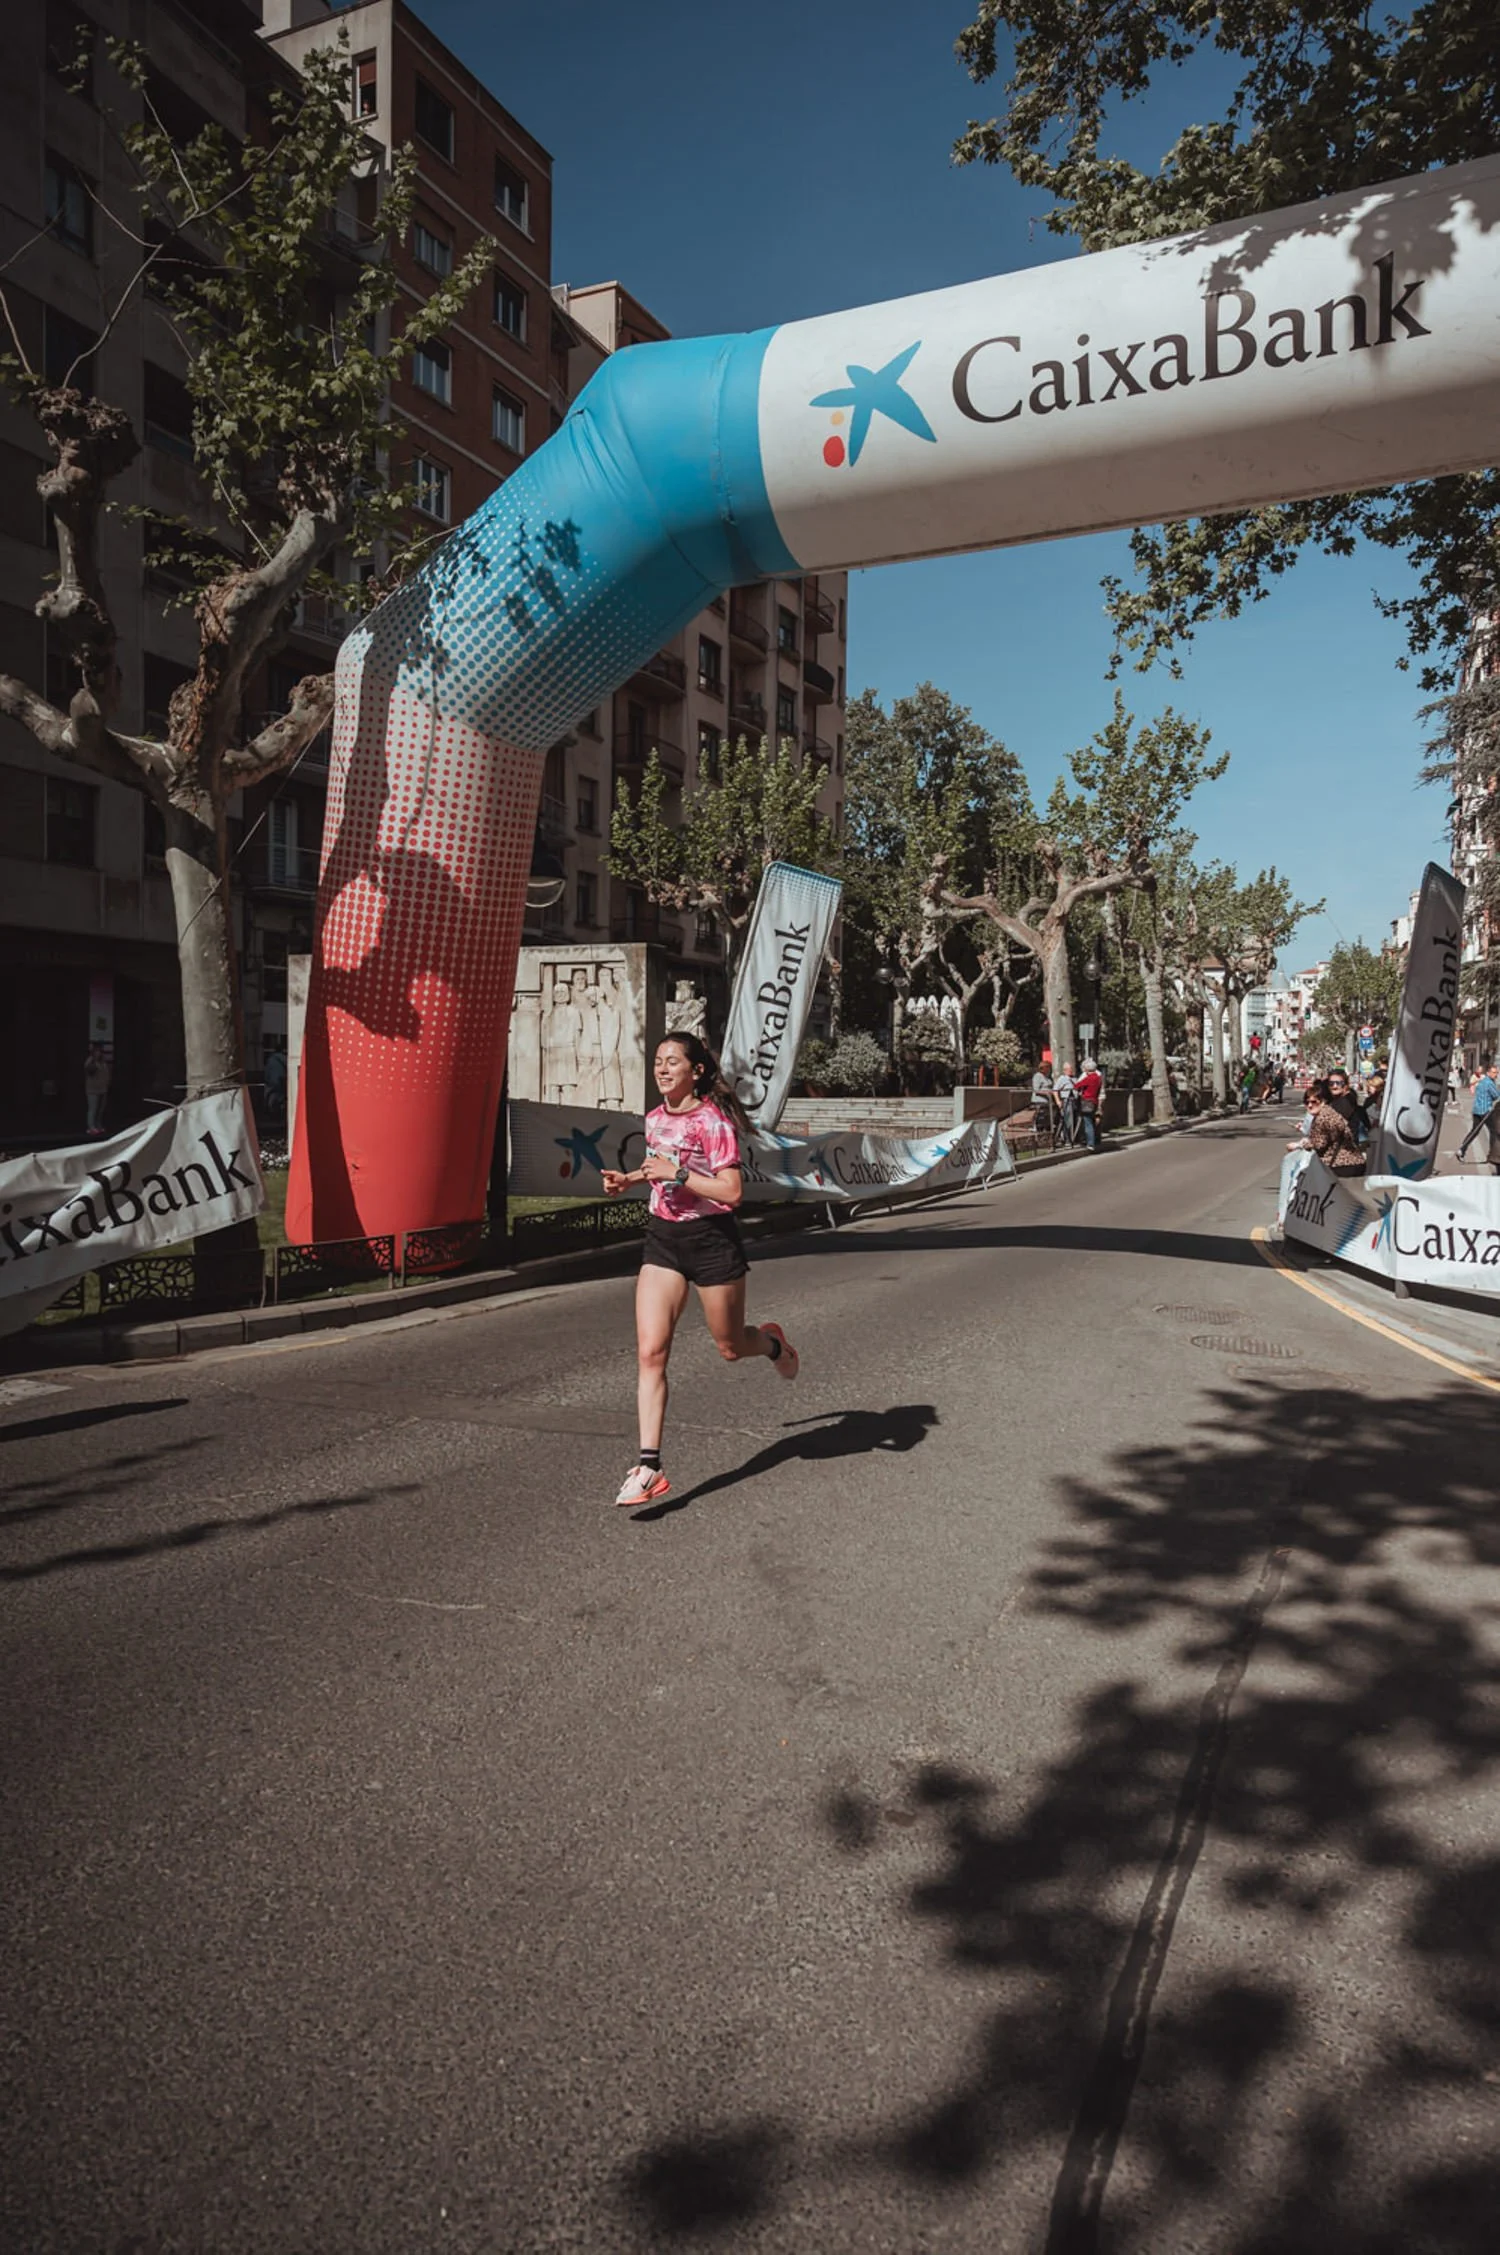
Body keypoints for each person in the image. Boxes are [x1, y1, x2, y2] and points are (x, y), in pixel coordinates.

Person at [602, 1032, 799, 1508]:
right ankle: (650, 1466)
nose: (663, 1069)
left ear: (698, 1071)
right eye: (658, 1061)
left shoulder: (713, 1122)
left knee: (731, 1347)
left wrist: (680, 1176)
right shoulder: (654, 1119)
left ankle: (771, 1343)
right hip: (664, 1240)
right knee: (651, 1352)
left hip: (712, 1243)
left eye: (673, 1062)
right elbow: (660, 1167)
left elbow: (731, 1192)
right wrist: (627, 1179)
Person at [1300, 1070, 1367, 1176]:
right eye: (1331, 1083)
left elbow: (1320, 1142)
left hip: (1341, 1162)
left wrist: (1300, 1145)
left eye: (1338, 1083)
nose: (1334, 1086)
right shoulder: (1338, 1102)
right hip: (1349, 1159)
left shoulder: (1342, 1105)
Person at [1457, 1061, 1499, 1166]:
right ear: (1488, 1073)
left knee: (1474, 1131)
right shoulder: (1489, 1083)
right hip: (1486, 1111)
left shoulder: (1482, 1081)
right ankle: (1492, 1155)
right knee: (1494, 1131)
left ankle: (1462, 1150)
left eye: (1497, 1073)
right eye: (1494, 1073)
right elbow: (1496, 1095)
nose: (1496, 1075)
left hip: (1476, 1110)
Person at [1075, 1057, 1104, 1151]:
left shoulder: (1089, 1078)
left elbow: (1077, 1085)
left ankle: (1090, 1143)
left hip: (1087, 1101)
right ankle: (1096, 1140)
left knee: (1088, 1123)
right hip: (1095, 1101)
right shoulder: (1099, 1078)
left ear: (1087, 1069)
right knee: (1093, 1121)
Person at [83, 1042, 111, 1135]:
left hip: (103, 1089)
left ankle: (98, 1125)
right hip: (92, 1090)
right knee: (93, 1108)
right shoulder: (90, 1061)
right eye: (96, 1051)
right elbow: (89, 1070)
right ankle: (91, 1127)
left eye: (100, 1051)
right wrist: (93, 1061)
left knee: (100, 1109)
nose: (98, 1053)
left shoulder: (103, 1062)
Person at [1052, 1062, 1080, 1147]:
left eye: (1071, 1069)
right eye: (1069, 1069)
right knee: (1067, 1120)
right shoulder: (1062, 1079)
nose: (1071, 1071)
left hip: (1074, 1101)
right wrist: (1058, 1101)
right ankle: (1067, 1139)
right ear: (1065, 1070)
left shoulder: (1075, 1079)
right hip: (1066, 1101)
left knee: (1074, 1119)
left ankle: (1074, 1138)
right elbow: (1055, 1090)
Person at [1029, 1065, 1053, 1144]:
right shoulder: (1037, 1076)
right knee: (1040, 1119)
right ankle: (1039, 1138)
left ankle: (1046, 1137)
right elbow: (1036, 1089)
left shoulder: (1047, 1077)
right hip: (1039, 1101)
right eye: (1048, 1068)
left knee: (1046, 1120)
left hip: (1047, 1101)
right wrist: (1046, 1092)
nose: (1049, 1070)